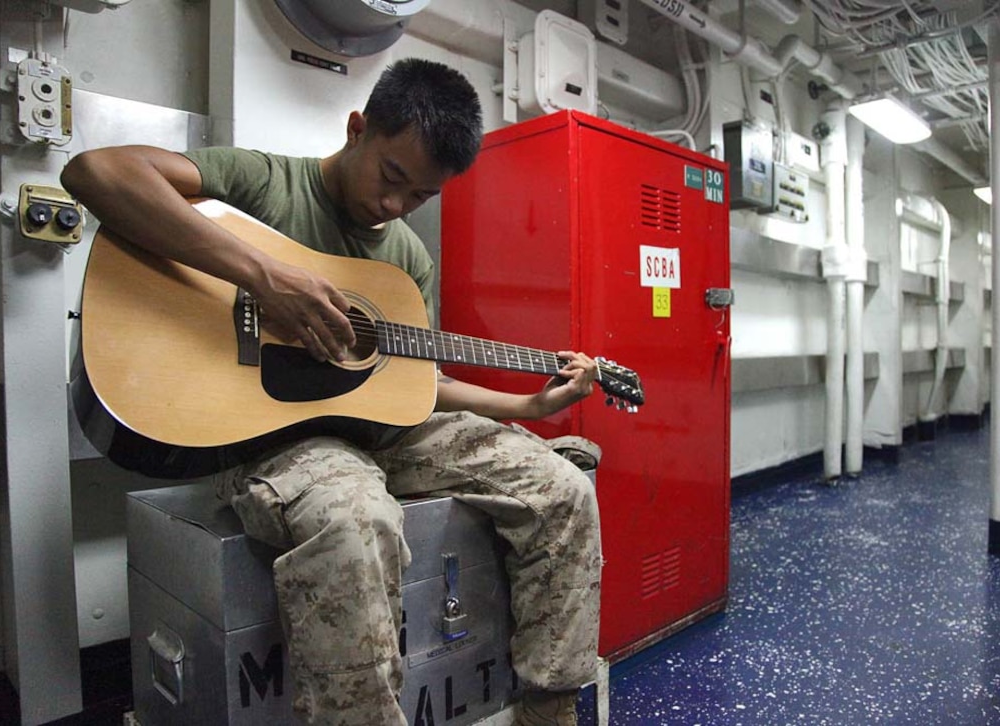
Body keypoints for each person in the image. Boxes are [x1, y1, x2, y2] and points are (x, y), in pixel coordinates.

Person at [62, 58, 602, 726]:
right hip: (270, 438)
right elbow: (96, 172)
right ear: (357, 129)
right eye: (391, 177)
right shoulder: (268, 182)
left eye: (419, 196)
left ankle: (549, 711)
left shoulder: (407, 258)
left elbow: (418, 386)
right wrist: (264, 276)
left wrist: (529, 407)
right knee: (354, 518)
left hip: (382, 433)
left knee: (563, 489)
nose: (395, 206)